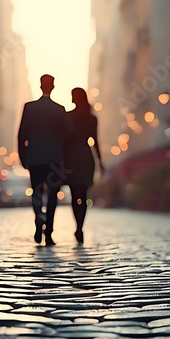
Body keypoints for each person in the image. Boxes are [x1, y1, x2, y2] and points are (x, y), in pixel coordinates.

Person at [17, 74, 71, 245]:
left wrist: (23, 157)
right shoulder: (59, 109)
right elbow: (68, 133)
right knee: (53, 195)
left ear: (40, 86)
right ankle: (48, 233)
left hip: (34, 157)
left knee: (37, 192)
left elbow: (21, 135)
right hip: (54, 158)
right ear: (53, 87)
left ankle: (39, 217)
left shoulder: (29, 107)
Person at [65, 88, 104, 244]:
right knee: (84, 194)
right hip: (86, 157)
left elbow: (64, 140)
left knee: (75, 195)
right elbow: (95, 141)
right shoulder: (92, 118)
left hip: (72, 158)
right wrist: (100, 161)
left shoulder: (68, 116)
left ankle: (78, 226)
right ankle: (80, 226)